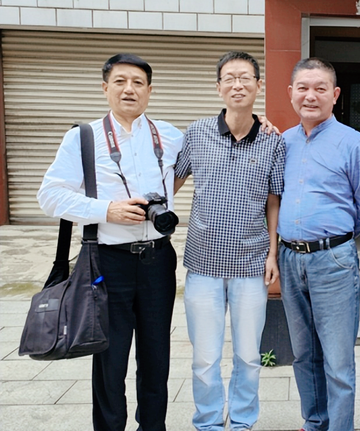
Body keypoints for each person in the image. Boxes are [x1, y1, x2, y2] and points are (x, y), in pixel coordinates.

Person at [37, 53, 183, 431]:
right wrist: (106, 210)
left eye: (138, 82)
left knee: (157, 357)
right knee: (109, 357)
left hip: (158, 260)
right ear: (105, 88)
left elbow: (221, 140)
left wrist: (261, 122)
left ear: (150, 90)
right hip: (107, 261)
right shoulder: (82, 138)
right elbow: (49, 196)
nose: (129, 89)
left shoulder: (170, 136)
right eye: (120, 81)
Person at [173, 51, 285, 431]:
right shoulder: (197, 133)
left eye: (245, 77)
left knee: (249, 356)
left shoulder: (273, 141)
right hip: (203, 263)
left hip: (251, 264)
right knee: (204, 358)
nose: (238, 85)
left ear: (258, 85)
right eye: (230, 78)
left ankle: (241, 421)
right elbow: (172, 182)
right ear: (218, 87)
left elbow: (274, 200)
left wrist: (273, 253)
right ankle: (207, 422)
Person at [278, 57, 360, 431]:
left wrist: (336, 240)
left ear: (335, 95)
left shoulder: (352, 142)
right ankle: (314, 421)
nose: (311, 95)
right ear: (291, 93)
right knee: (303, 353)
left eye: (320, 88)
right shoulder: (282, 142)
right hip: (290, 258)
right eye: (303, 88)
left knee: (337, 360)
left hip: (333, 260)